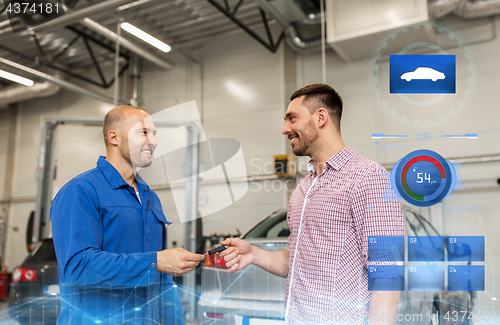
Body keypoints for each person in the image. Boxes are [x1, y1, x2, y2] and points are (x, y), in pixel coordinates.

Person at [220, 84, 404, 325]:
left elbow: (387, 272)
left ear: (320, 117)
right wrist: (255, 254)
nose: (285, 129)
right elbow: (301, 260)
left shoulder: (368, 177)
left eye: (292, 118)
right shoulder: (303, 188)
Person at [50, 106, 205, 325]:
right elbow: (78, 267)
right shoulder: (81, 191)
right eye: (143, 132)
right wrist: (156, 261)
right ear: (114, 137)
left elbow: (162, 280)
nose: (153, 141)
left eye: (154, 134)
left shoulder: (150, 197)